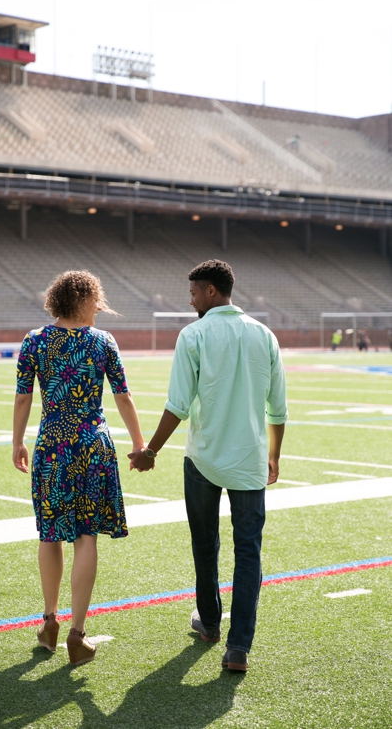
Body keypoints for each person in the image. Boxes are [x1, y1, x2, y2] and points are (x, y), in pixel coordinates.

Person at [130, 259, 287, 673]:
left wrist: (151, 452)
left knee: (205, 544)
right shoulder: (265, 335)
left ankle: (211, 624)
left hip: (203, 458)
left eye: (194, 292)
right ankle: (239, 648)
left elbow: (177, 405)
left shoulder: (194, 334)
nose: (191, 299)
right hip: (250, 461)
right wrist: (274, 454)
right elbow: (279, 408)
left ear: (211, 292)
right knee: (248, 552)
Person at [12, 270, 147, 666]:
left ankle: (49, 623)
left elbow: (23, 399)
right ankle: (77, 634)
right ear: (85, 301)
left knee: (50, 533)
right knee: (86, 536)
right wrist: (140, 443)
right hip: (92, 445)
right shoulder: (103, 341)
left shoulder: (34, 341)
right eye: (97, 302)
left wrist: (18, 440)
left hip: (52, 443)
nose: (101, 309)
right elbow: (123, 397)